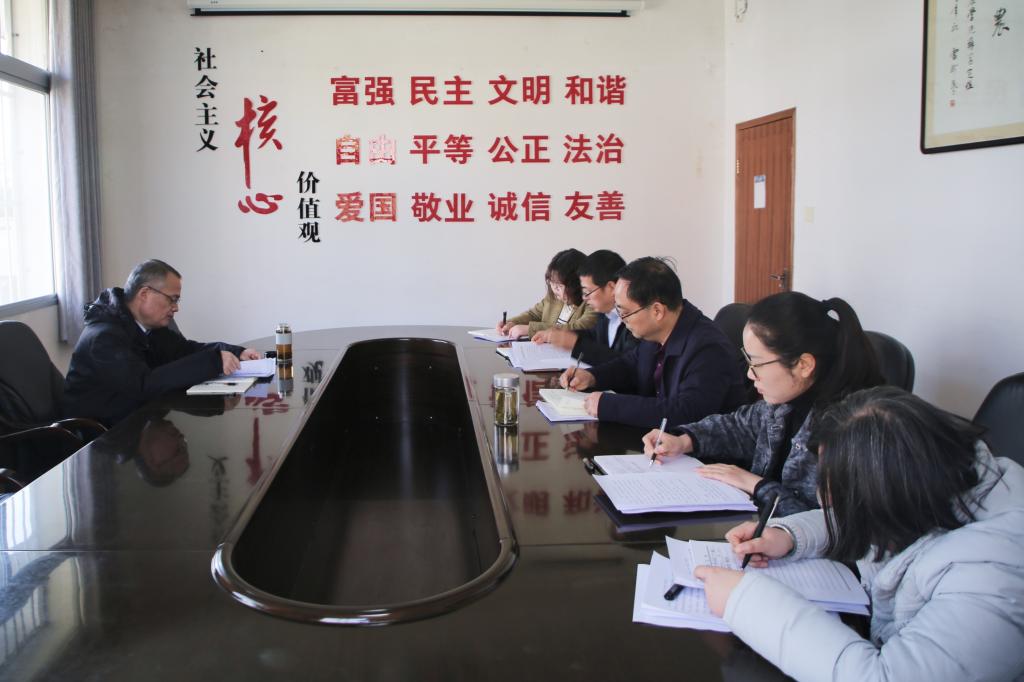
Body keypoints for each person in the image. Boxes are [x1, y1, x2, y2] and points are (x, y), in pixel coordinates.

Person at [693, 387, 1024, 682]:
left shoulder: (992, 576)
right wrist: (788, 535)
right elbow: (854, 515)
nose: (830, 505)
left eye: (838, 496)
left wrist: (746, 603)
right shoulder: (935, 483)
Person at [644, 291, 882, 515]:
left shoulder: (853, 432)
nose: (750, 374)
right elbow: (739, 427)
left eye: (756, 363)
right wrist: (683, 440)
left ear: (804, 365)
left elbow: (828, 526)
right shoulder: (785, 401)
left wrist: (755, 484)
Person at [62, 259, 261, 426]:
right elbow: (143, 385)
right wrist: (214, 361)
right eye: (172, 299)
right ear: (144, 294)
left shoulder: (146, 326)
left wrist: (236, 352)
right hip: (99, 437)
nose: (175, 308)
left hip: (141, 422)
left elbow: (184, 350)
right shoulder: (104, 337)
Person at [559, 257, 747, 429]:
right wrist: (592, 376)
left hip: (703, 452)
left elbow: (686, 412)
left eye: (625, 312)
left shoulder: (708, 348)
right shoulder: (657, 332)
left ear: (657, 311)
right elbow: (630, 366)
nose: (622, 319)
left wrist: (610, 405)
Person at [531, 249, 640, 365]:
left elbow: (628, 365)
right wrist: (560, 335)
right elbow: (592, 335)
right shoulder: (604, 314)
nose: (584, 298)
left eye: (587, 292)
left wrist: (575, 344)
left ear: (611, 288)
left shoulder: (634, 319)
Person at [497, 249, 598, 338]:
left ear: (576, 285)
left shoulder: (592, 301)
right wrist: (511, 322)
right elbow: (534, 314)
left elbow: (579, 328)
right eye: (552, 283)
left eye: (559, 286)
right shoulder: (553, 296)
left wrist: (529, 329)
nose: (555, 290)